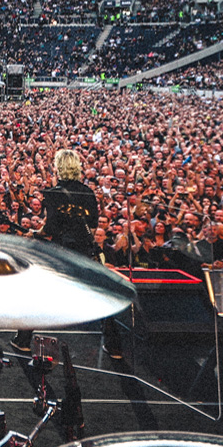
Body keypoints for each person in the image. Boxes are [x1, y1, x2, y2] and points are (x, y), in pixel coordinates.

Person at [39, 148, 127, 363]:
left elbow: (50, 228)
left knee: (38, 289)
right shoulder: (88, 193)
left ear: (59, 167)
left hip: (61, 250)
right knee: (98, 294)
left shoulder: (53, 194)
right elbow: (93, 224)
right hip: (84, 248)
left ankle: (23, 338)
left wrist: (36, 233)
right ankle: (114, 344)